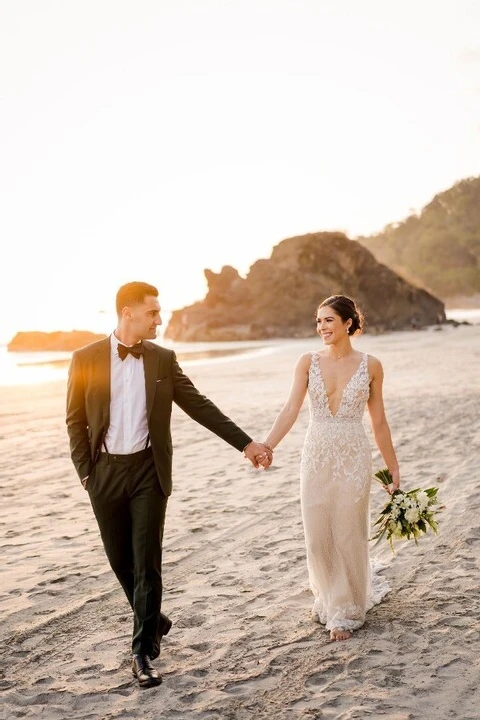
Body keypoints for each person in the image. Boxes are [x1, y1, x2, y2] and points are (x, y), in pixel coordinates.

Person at [66, 281, 272, 688]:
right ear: (128, 313)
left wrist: (246, 443)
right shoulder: (85, 357)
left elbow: (198, 404)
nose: (159, 319)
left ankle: (142, 652)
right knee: (119, 561)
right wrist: (86, 472)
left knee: (147, 562)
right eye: (153, 313)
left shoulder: (162, 359)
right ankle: (154, 618)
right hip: (103, 472)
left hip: (148, 471)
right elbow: (75, 419)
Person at [262, 294, 400, 642]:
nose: (321, 327)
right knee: (318, 531)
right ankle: (329, 595)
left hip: (354, 454)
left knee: (348, 529)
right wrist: (267, 446)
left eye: (328, 320)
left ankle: (345, 608)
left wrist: (392, 467)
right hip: (317, 454)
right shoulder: (307, 362)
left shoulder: (372, 366)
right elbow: (291, 409)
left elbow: (379, 421)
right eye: (318, 321)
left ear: (349, 324)